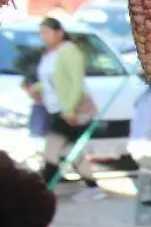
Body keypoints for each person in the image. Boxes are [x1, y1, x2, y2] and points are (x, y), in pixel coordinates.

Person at [36, 17, 104, 202]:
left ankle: (43, 192)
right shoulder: (49, 54)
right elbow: (51, 81)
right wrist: (36, 89)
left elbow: (75, 83)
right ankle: (93, 187)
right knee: (74, 151)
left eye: (46, 32)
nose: (43, 37)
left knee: (52, 148)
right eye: (41, 33)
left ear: (59, 33)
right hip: (56, 107)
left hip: (71, 109)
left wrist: (69, 109)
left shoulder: (70, 52)